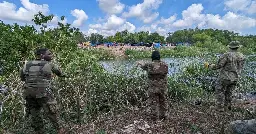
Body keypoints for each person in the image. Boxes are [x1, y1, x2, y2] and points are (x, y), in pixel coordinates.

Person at [20, 48, 66, 134]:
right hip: (43, 93)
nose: (51, 55)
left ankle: (40, 131)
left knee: (35, 115)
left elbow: (22, 78)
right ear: (42, 55)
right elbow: (59, 73)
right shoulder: (49, 64)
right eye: (49, 54)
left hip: (29, 94)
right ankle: (60, 130)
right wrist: (64, 75)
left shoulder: (27, 64)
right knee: (52, 113)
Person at [205, 41, 245, 111]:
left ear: (230, 47)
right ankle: (227, 106)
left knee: (219, 90)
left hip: (225, 77)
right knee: (229, 92)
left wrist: (208, 65)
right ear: (238, 47)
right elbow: (240, 67)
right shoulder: (242, 56)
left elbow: (218, 66)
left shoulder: (226, 55)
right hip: (235, 78)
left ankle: (219, 107)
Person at [137, 50, 169, 121]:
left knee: (154, 103)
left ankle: (155, 119)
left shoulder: (149, 65)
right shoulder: (165, 65)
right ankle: (164, 117)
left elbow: (142, 66)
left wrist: (139, 62)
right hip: (163, 88)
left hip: (153, 88)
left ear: (152, 57)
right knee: (163, 102)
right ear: (159, 57)